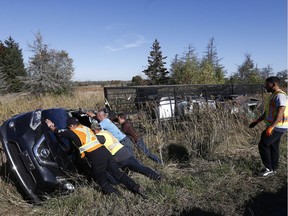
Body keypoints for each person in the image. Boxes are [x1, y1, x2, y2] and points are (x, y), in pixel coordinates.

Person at [45, 117, 146, 197]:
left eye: (69, 127)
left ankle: (117, 196)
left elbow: (57, 132)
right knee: (117, 173)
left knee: (102, 181)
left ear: (71, 126)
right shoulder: (85, 128)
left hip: (96, 156)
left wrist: (51, 126)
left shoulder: (72, 132)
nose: (68, 129)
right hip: (105, 152)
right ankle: (135, 187)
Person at [249, 76, 288, 177]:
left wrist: (271, 127)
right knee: (273, 146)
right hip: (278, 126)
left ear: (274, 84)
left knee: (263, 144)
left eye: (267, 84)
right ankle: (273, 168)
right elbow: (268, 112)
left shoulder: (280, 96)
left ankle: (268, 168)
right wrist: (257, 120)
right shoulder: (274, 95)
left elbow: (281, 111)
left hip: (278, 126)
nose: (265, 86)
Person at [94, 128, 162, 181]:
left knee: (110, 170)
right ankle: (157, 176)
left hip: (118, 156)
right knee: (140, 167)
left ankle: (116, 184)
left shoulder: (98, 137)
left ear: (95, 130)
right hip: (125, 152)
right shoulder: (105, 132)